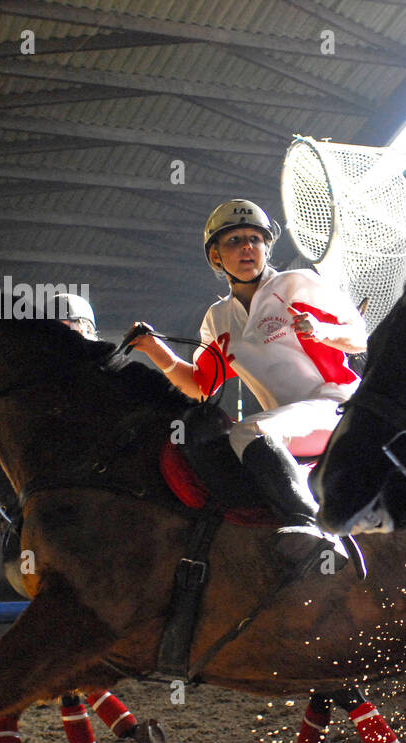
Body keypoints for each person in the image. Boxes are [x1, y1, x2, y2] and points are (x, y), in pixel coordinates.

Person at [128, 199, 365, 564]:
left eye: (255, 239)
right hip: (286, 424)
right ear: (216, 258)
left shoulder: (296, 284)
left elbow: (360, 338)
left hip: (338, 406)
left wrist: (322, 330)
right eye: (234, 240)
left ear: (267, 247)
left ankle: (314, 531)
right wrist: (154, 350)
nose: (247, 247)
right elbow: (199, 386)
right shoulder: (218, 318)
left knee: (247, 433)